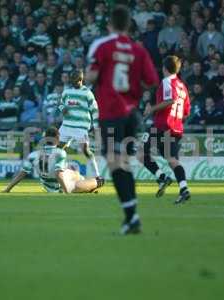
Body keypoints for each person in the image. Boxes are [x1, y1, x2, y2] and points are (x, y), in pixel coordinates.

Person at [86, 5, 159, 235]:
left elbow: (91, 76)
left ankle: (132, 217)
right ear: (128, 25)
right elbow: (151, 81)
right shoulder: (139, 50)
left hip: (111, 113)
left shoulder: (102, 46)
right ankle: (132, 218)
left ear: (110, 24)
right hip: (132, 114)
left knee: (114, 163)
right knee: (124, 163)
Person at [141, 55, 191, 204]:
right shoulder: (182, 86)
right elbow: (186, 111)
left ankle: (163, 178)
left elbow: (170, 100)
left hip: (162, 125)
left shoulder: (167, 82)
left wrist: (152, 109)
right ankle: (184, 189)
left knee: (141, 153)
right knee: (172, 160)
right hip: (176, 127)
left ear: (164, 68)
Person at [2, 127, 104, 194]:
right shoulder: (60, 153)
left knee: (74, 171)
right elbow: (58, 174)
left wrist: (8, 189)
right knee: (99, 181)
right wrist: (66, 191)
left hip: (48, 186)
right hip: (63, 186)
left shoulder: (33, 155)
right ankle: (90, 186)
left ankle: (82, 182)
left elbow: (22, 173)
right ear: (57, 138)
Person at [59, 69, 101, 178]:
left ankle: (97, 175)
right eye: (72, 80)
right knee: (58, 150)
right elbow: (60, 103)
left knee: (85, 150)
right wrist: (62, 108)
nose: (73, 82)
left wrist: (96, 127)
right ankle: (60, 172)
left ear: (81, 80)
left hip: (81, 128)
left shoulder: (87, 93)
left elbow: (95, 110)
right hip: (66, 126)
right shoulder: (66, 92)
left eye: (75, 80)